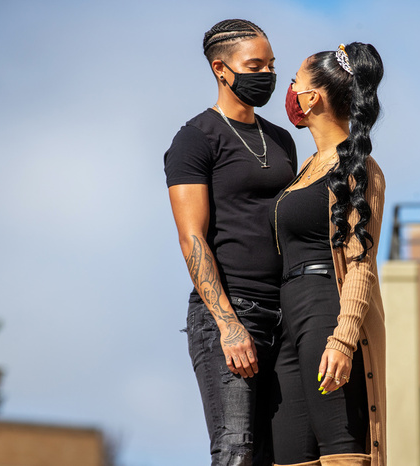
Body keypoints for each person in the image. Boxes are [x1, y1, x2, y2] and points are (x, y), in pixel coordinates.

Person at [164, 19, 297, 466]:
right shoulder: (195, 139)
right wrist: (228, 324)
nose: (267, 75)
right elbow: (192, 238)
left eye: (271, 65)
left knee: (276, 454)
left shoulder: (281, 140)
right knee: (236, 450)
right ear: (222, 69)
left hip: (283, 316)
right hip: (228, 316)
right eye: (255, 65)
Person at [269, 43, 386, 466]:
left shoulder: (357, 167)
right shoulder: (305, 168)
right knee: (289, 452)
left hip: (325, 313)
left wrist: (344, 338)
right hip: (288, 321)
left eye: (295, 80)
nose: (291, 89)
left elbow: (361, 265)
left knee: (341, 450)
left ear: (312, 97)